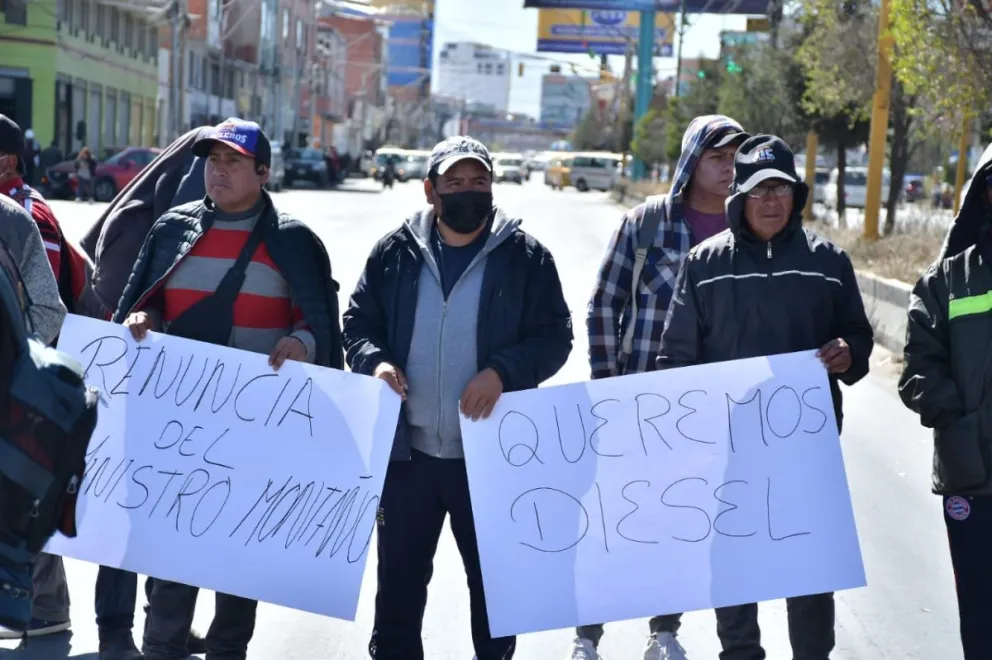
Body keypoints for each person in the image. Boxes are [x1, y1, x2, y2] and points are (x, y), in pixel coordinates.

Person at [114, 117, 343, 660]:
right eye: (213, 161)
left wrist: (302, 343)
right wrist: (142, 319)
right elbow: (137, 305)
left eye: (233, 162)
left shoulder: (294, 241)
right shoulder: (172, 227)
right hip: (178, 432)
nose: (218, 171)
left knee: (239, 567)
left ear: (263, 172)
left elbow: (320, 325)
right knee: (170, 565)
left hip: (258, 435)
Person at [342, 135, 573, 660]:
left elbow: (555, 336)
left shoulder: (526, 257)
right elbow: (357, 322)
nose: (468, 192)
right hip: (409, 457)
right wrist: (374, 362)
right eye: (455, 183)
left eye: (478, 182)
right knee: (399, 590)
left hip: (489, 460)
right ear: (431, 190)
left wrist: (502, 371)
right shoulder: (393, 252)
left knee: (495, 595)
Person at [656, 134, 874, 660]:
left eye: (780, 189)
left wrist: (850, 352)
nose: (771, 201)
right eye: (758, 190)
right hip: (726, 456)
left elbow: (858, 337)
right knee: (733, 571)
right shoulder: (705, 264)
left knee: (810, 575)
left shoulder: (828, 262)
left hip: (806, 453)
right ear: (739, 199)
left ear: (796, 195)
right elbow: (675, 356)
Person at [581, 114, 748, 660]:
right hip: (638, 397)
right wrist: (608, 385)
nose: (728, 169)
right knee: (615, 518)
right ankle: (587, 636)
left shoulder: (745, 230)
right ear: (691, 161)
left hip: (708, 408)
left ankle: (665, 630)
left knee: (679, 519)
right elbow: (606, 303)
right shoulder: (647, 223)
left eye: (735, 159)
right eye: (718, 158)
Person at [80, 127, 208, 660]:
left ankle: (164, 623)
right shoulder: (154, 217)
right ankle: (117, 629)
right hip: (132, 370)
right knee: (128, 507)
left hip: (158, 369)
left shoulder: (158, 207)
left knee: (162, 503)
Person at [0, 113, 95, 643]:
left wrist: (16, 362)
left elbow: (49, 309)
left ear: (7, 161)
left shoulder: (23, 217)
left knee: (22, 491)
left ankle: (43, 607)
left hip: (18, 389)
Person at [898, 144, 992, 660]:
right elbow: (919, 368)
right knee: (980, 615)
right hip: (972, 481)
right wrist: (962, 425)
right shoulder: (945, 281)